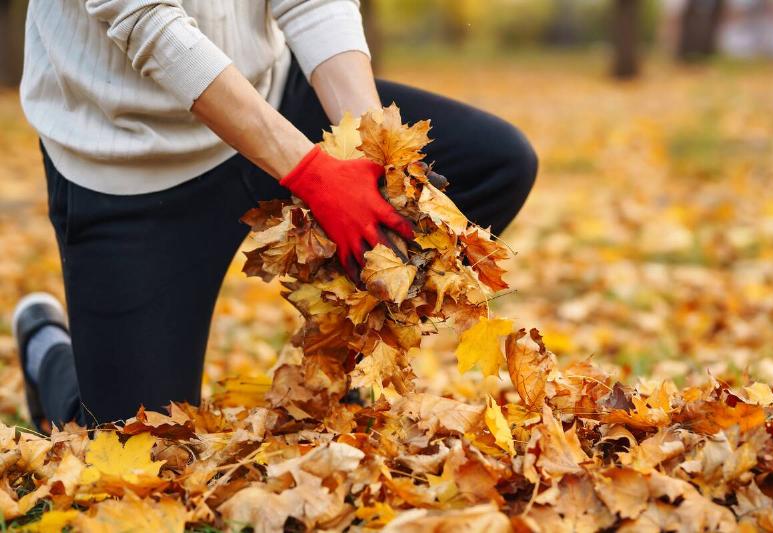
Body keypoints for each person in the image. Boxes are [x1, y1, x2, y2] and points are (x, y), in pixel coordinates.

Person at [13, 0, 538, 431]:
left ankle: (334, 361)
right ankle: (45, 349)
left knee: (495, 163)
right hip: (130, 156)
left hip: (267, 94)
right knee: (138, 449)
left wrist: (373, 146)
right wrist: (311, 172)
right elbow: (145, 16)